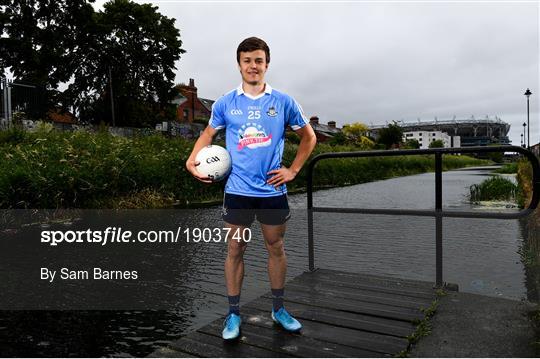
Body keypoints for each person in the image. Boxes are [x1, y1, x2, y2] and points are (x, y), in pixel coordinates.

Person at [186, 37, 317, 340]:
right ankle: (233, 315)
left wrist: (293, 170)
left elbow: (309, 137)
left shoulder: (283, 101)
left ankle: (278, 309)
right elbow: (208, 133)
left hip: (272, 191)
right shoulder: (225, 102)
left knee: (276, 248)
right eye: (247, 61)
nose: (253, 66)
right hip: (238, 191)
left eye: (258, 60)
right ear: (239, 65)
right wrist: (192, 160)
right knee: (235, 249)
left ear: (266, 64)